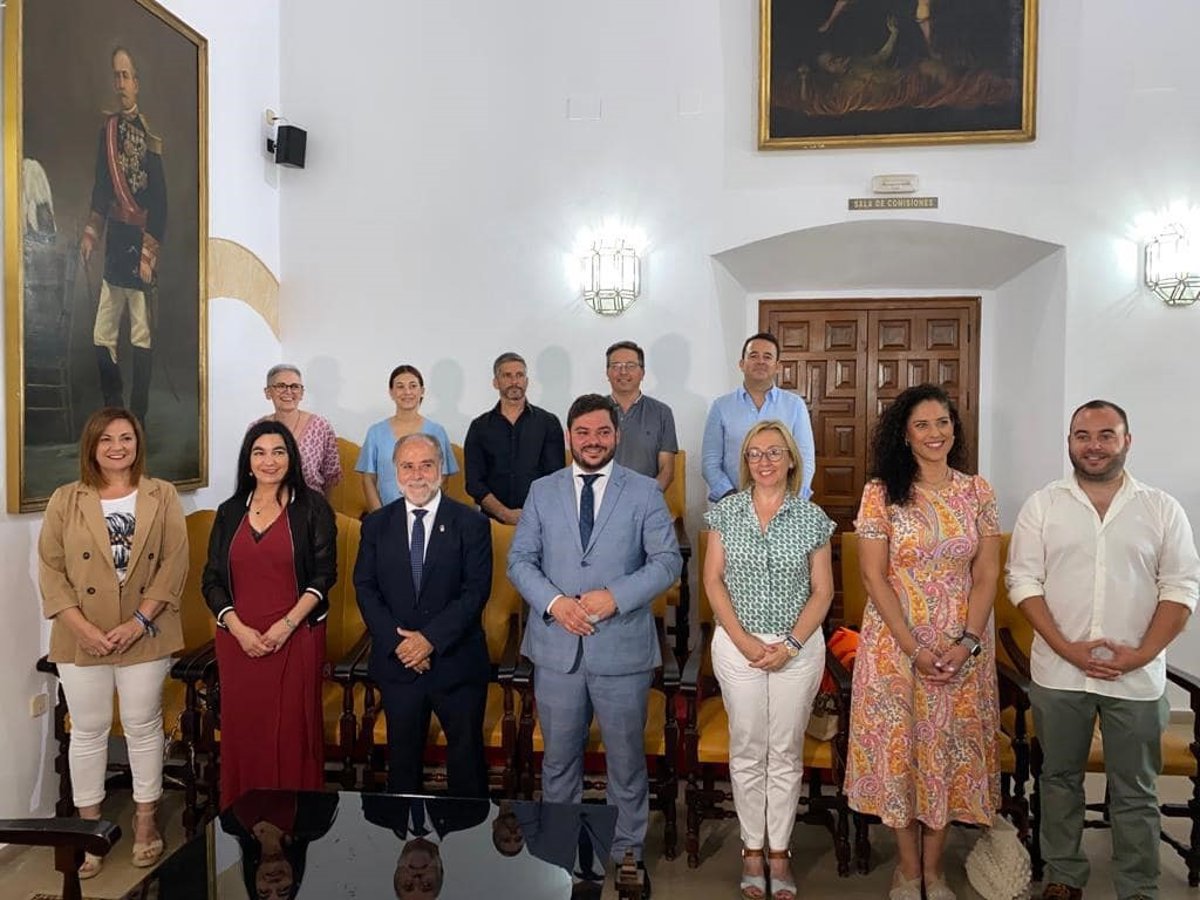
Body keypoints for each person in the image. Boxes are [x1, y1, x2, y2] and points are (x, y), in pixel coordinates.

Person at [1006, 400, 1200, 900]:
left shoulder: (1161, 508)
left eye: (1106, 435)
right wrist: (1066, 648)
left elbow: (1181, 588)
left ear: (1126, 441)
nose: (1094, 445)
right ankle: (1063, 875)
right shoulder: (1043, 505)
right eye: (1083, 435)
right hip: (1059, 673)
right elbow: (1023, 581)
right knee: (1058, 779)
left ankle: (1137, 886)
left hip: (1136, 677)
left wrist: (1142, 654)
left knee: (1136, 789)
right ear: (1069, 442)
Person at [508, 393, 682, 898]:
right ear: (569, 436)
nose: (593, 441)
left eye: (603, 432)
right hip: (557, 648)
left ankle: (627, 853)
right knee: (559, 762)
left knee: (626, 762)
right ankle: (564, 857)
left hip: (621, 649)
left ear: (616, 436)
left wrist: (616, 596)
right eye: (583, 432)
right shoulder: (542, 490)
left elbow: (667, 561)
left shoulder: (644, 491)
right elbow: (519, 561)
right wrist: (554, 603)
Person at [844, 384, 1001, 900]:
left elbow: (987, 574)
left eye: (943, 422)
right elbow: (873, 576)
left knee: (946, 754)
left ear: (955, 428)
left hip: (961, 645)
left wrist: (968, 641)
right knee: (901, 754)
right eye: (922, 425)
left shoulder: (978, 491)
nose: (935, 433)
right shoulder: (881, 492)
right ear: (905, 435)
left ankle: (935, 870)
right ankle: (908, 870)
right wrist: (913, 647)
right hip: (896, 644)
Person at [38, 407, 187, 877]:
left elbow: (174, 563)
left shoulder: (162, 494)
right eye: (106, 439)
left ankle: (145, 822)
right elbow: (50, 569)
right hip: (82, 633)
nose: (117, 447)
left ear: (138, 443)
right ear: (92, 446)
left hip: (146, 629)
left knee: (142, 726)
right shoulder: (66, 498)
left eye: (126, 437)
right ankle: (91, 833)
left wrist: (138, 622)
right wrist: (82, 628)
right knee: (88, 730)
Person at [702, 420, 835, 900]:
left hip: (797, 649)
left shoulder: (811, 517)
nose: (764, 461)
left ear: (791, 459)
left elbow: (823, 591)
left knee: (783, 751)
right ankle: (751, 849)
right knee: (747, 747)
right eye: (755, 453)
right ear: (745, 461)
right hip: (738, 647)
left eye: (774, 452)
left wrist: (790, 645)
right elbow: (712, 581)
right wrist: (742, 641)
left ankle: (779, 851)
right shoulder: (725, 513)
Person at [202, 421, 337, 807]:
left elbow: (324, 575)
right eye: (259, 452)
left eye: (279, 452)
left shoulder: (312, 508)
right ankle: (242, 820)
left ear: (291, 458)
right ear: (248, 461)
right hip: (238, 641)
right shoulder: (229, 512)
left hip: (297, 636)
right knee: (245, 733)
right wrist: (237, 628)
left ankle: (295, 822)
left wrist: (286, 625)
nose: (269, 461)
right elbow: (211, 579)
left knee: (293, 732)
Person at [354, 433, 492, 797]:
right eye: (408, 466)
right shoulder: (376, 524)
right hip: (399, 664)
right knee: (402, 766)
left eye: (426, 465)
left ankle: (466, 829)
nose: (417, 475)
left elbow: (475, 592)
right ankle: (406, 833)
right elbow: (365, 588)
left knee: (466, 765)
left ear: (441, 469)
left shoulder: (471, 523)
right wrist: (400, 644)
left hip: (456, 663)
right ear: (395, 472)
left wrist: (429, 640)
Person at [80, 47, 167, 426]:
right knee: (103, 332)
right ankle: (114, 409)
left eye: (126, 75)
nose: (120, 83)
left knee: (141, 334)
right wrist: (91, 232)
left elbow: (160, 203)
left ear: (137, 83)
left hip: (139, 247)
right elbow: (102, 188)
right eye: (116, 75)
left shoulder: (151, 140)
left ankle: (139, 416)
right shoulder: (108, 132)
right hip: (115, 244)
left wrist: (148, 255)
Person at [702, 333, 816, 503]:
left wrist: (794, 500)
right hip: (732, 503)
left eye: (767, 357)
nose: (760, 361)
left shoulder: (795, 405)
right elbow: (710, 461)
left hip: (784, 504)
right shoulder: (721, 406)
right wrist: (732, 499)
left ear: (777, 366)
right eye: (753, 356)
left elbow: (805, 459)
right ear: (742, 364)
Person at [465, 352, 565, 524]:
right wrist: (504, 513)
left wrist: (530, 515)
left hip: (539, 520)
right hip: (492, 522)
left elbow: (555, 478)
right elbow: (474, 483)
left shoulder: (548, 423)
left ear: (526, 381)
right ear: (496, 383)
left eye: (519, 375)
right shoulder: (479, 427)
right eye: (507, 376)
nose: (514, 381)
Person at [357, 364, 458, 512]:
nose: (407, 392)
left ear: (422, 391)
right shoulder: (376, 432)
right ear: (391, 392)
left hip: (426, 514)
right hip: (387, 513)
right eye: (400, 387)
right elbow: (368, 479)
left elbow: (443, 478)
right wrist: (379, 516)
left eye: (413, 386)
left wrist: (424, 511)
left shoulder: (437, 431)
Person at [362, 794, 491, 899]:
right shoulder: (472, 813)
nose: (417, 879)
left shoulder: (375, 810)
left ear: (397, 871)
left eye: (408, 885)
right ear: (440, 869)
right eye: (427, 885)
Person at [219, 790, 339, 900]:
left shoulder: (230, 823)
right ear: (295, 878)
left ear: (252, 884)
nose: (274, 883)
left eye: (264, 892)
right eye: (283, 890)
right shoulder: (316, 821)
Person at [253, 363, 342, 496]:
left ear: (301, 393)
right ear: (268, 392)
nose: (288, 391)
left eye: (294, 386)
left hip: (310, 503)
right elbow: (250, 473)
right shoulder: (256, 429)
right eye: (281, 386)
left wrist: (319, 505)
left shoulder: (321, 427)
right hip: (267, 502)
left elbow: (331, 476)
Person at [605, 340, 678, 492]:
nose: (623, 372)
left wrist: (646, 499)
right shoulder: (593, 411)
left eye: (630, 366)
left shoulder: (662, 413)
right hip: (601, 499)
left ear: (642, 373)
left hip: (646, 499)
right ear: (607, 373)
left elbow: (667, 470)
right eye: (616, 366)